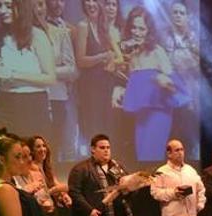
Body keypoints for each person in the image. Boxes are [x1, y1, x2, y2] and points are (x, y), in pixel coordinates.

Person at [120, 6, 186, 162]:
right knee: (142, 157)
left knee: (152, 156)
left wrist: (165, 83)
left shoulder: (157, 52)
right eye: (134, 27)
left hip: (159, 113)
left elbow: (176, 87)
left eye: (141, 29)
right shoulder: (134, 55)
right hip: (141, 115)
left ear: (149, 31)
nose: (136, 32)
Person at [0, 0, 56, 137]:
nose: (2, 10)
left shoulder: (37, 36)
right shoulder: (0, 35)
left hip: (31, 104)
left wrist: (12, 74)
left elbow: (50, 78)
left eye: (8, 6)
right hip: (4, 100)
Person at [37, 0, 79, 162]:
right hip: (30, 96)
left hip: (57, 94)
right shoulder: (23, 33)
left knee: (55, 142)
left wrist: (45, 73)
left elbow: (71, 68)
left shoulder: (62, 32)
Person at [75, 0, 115, 148]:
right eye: (87, 1)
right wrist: (101, 57)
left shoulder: (103, 28)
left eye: (94, 0)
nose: (90, 4)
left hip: (106, 84)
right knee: (94, 128)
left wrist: (111, 61)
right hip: (91, 86)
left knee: (107, 127)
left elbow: (115, 55)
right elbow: (80, 60)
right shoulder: (83, 26)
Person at [164, 1, 200, 158]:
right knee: (171, 133)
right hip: (169, 93)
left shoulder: (195, 38)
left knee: (189, 135)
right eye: (175, 12)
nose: (178, 16)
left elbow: (197, 63)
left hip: (190, 93)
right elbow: (164, 63)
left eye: (181, 13)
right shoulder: (163, 36)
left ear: (188, 17)